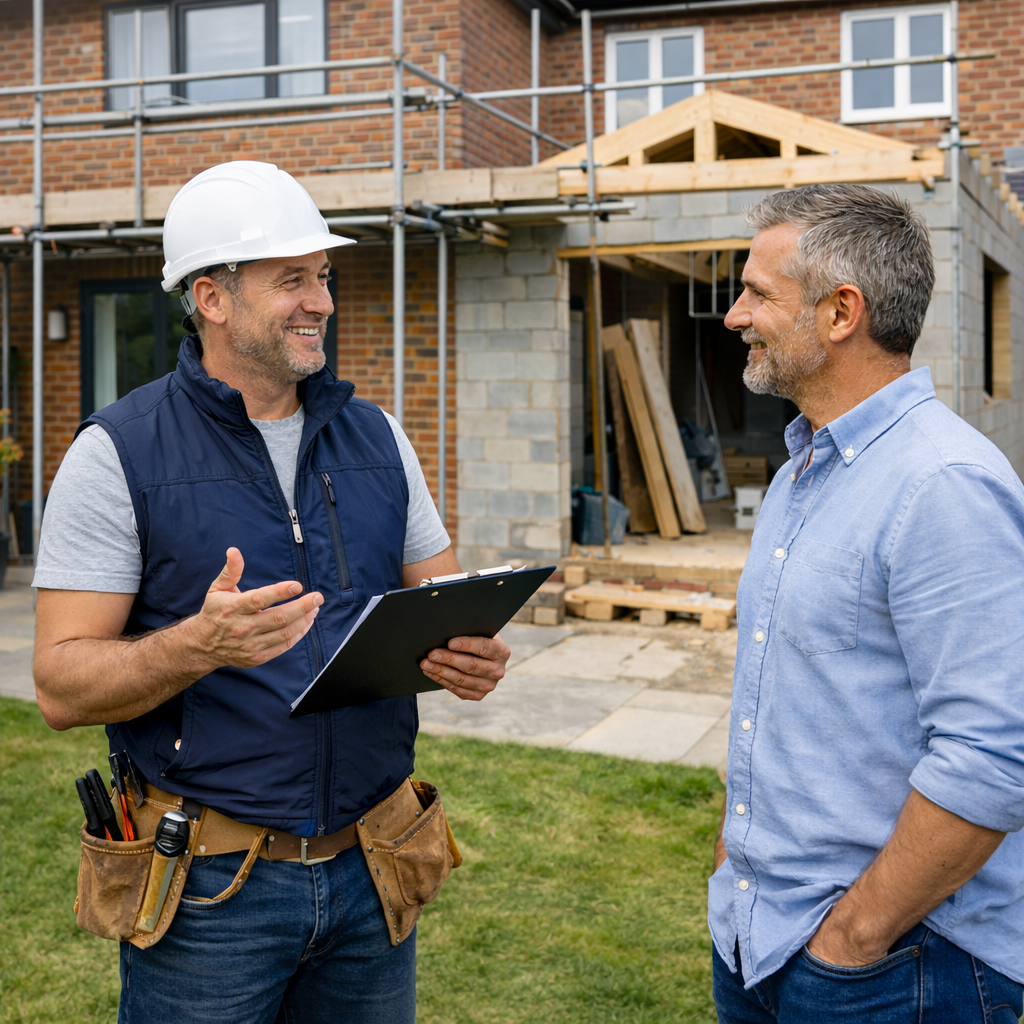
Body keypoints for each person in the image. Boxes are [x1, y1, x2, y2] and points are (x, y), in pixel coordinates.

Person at [33, 161, 510, 1024]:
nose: (321, 300)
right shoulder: (117, 453)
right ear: (211, 298)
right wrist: (196, 645)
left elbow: (438, 604)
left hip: (374, 870)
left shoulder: (379, 436)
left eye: (322, 277)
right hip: (211, 893)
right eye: (290, 279)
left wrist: (466, 653)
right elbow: (60, 686)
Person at [711, 183, 1024, 1021]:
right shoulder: (804, 470)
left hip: (894, 968)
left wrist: (853, 940)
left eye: (757, 294)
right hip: (757, 933)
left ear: (841, 311)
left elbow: (993, 756)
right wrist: (732, 865)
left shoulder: (942, 485)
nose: (736, 315)